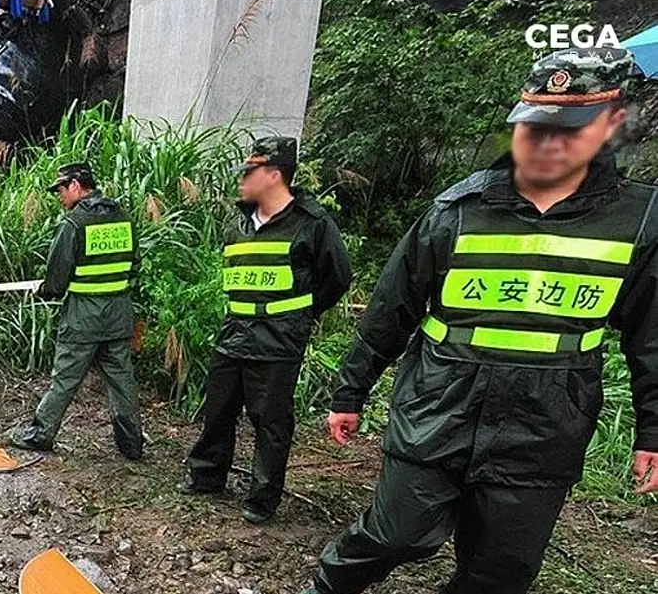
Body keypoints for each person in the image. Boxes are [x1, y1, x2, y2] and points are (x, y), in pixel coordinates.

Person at [301, 48, 658, 594]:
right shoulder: (459, 208)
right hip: (438, 405)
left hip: (544, 424)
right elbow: (393, 306)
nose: (545, 143)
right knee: (397, 534)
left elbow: (651, 337)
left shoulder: (639, 222)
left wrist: (652, 431)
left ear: (611, 126)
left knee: (501, 570)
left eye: (569, 128)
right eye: (534, 126)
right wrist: (349, 392)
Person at [178, 136, 353, 524]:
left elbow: (338, 277)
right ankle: (207, 476)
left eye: (250, 172)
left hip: (278, 340)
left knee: (270, 421)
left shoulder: (312, 224)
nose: (241, 180)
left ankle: (262, 498)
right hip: (235, 333)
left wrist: (301, 314)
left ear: (274, 176)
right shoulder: (238, 224)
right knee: (219, 411)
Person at [8, 163, 143, 460]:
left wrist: (43, 290)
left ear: (75, 186)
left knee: (65, 379)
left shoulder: (74, 223)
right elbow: (135, 265)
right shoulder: (123, 218)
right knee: (122, 382)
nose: (59, 196)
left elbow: (57, 280)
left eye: (60, 189)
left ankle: (41, 434)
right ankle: (132, 444)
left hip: (83, 319)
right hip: (119, 316)